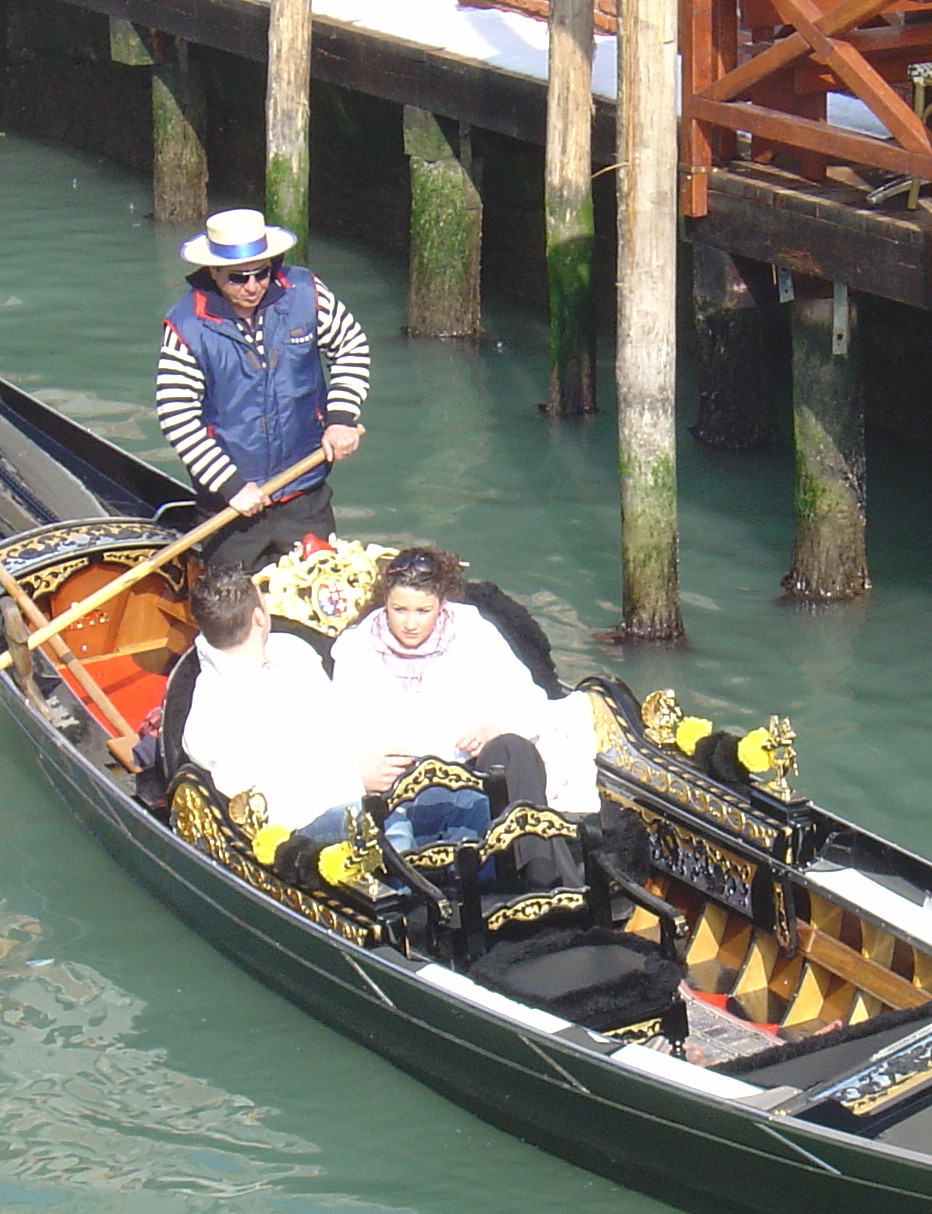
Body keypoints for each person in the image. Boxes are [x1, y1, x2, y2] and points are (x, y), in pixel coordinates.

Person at [155, 208, 373, 577]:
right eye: (239, 278)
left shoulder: (307, 294)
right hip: (231, 507)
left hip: (305, 493)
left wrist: (340, 418)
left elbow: (350, 346)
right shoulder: (186, 326)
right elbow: (176, 415)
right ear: (214, 272)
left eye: (263, 273)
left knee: (322, 599)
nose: (253, 286)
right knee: (231, 616)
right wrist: (231, 484)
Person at [330, 547, 600, 819]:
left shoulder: (473, 630)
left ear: (441, 603)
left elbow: (527, 700)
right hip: (394, 788)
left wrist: (493, 727)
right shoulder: (355, 647)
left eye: (423, 611)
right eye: (399, 610)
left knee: (515, 750)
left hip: (472, 774)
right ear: (385, 602)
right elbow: (337, 729)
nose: (410, 624)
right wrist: (358, 773)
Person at [180, 569, 365, 845]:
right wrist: (356, 774)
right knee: (377, 818)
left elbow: (340, 723)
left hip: (356, 789)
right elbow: (276, 807)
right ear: (259, 616)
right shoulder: (212, 713)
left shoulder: (293, 651)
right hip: (303, 831)